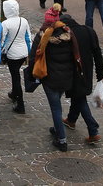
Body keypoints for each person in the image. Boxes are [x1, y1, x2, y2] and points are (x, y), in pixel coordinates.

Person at [28, 16, 78, 151]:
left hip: (49, 78)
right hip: (66, 77)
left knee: (55, 108)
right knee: (57, 103)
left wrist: (32, 74)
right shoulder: (69, 35)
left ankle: (62, 140)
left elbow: (33, 57)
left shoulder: (42, 38)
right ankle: (57, 127)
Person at [60, 13, 103, 144]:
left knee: (79, 98)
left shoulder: (67, 35)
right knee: (78, 95)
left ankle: (93, 129)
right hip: (87, 70)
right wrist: (100, 73)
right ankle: (71, 120)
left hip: (74, 71)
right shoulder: (89, 31)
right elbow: (97, 53)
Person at [1, 0, 32, 114]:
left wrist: (1, 52)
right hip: (23, 52)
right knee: (16, 75)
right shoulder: (24, 20)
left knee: (15, 77)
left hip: (12, 54)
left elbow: (2, 40)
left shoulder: (5, 24)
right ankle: (14, 93)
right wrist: (29, 52)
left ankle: (20, 104)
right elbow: (28, 37)